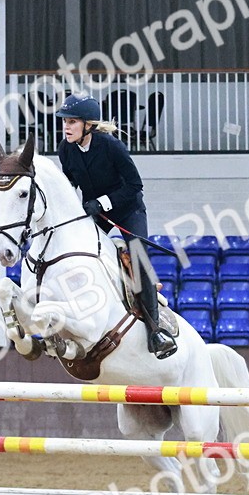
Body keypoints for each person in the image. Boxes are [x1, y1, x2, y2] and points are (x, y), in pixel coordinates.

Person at [55, 92, 177, 359]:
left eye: (72, 122)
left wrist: (102, 202)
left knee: (138, 258)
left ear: (88, 125)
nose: (66, 127)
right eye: (65, 121)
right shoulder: (66, 149)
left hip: (127, 209)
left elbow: (135, 186)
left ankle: (156, 332)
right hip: (93, 210)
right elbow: (68, 185)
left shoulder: (111, 146)